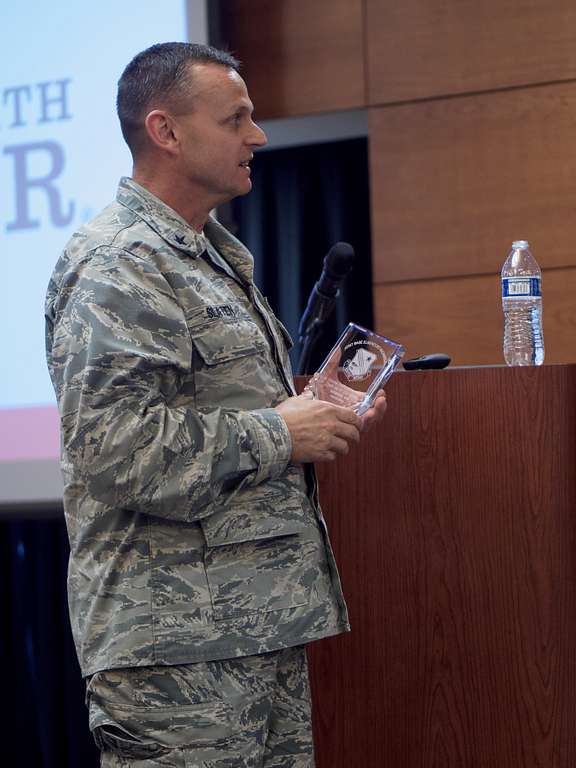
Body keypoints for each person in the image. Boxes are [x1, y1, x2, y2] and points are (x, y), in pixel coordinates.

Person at [44, 42, 383, 766]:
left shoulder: (206, 254)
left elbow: (208, 408)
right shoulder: (121, 263)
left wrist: (311, 413)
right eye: (236, 119)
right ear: (165, 131)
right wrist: (277, 434)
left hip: (253, 626)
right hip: (175, 649)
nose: (257, 136)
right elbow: (114, 448)